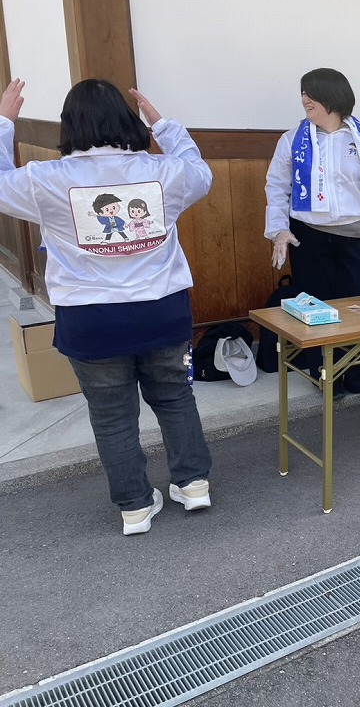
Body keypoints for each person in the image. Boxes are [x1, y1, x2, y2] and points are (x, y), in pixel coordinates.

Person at [0, 78, 214, 536]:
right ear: (126, 120)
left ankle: (135, 508)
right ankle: (194, 484)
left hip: (91, 319)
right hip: (162, 310)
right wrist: (164, 125)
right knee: (175, 397)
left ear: (70, 125)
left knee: (112, 414)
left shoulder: (45, 180)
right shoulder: (165, 172)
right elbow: (201, 172)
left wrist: (3, 123)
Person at [265, 68, 360, 394]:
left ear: (333, 97)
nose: (304, 99)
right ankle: (326, 376)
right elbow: (277, 188)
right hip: (308, 236)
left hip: (354, 236)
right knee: (315, 308)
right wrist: (279, 231)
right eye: (303, 93)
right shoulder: (291, 140)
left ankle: (358, 374)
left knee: (357, 308)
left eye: (311, 93)